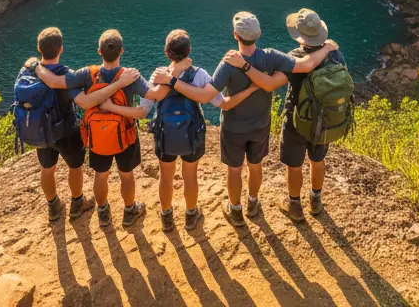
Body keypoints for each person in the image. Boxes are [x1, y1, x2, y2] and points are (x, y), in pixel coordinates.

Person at [162, 11, 336, 228]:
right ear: (259, 33)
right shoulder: (271, 57)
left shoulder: (228, 63)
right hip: (261, 125)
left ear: (236, 35)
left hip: (234, 127)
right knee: (256, 165)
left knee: (234, 169)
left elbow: (205, 96)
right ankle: (253, 203)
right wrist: (328, 47)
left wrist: (172, 81)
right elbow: (302, 67)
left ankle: (236, 211)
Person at [100, 29, 261, 232]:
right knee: (190, 176)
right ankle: (191, 214)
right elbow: (224, 104)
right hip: (191, 135)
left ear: (167, 53)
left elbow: (142, 111)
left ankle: (166, 216)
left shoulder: (158, 75)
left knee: (165, 177)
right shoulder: (200, 75)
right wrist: (250, 89)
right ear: (189, 51)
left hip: (165, 135)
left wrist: (110, 107)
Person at [226, 8, 347, 222]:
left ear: (300, 36)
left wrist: (245, 67)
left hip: (297, 119)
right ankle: (316, 200)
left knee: (295, 164)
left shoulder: (296, 57)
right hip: (325, 118)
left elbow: (270, 84)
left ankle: (294, 205)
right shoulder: (335, 53)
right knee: (318, 159)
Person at [36, 29, 150, 228]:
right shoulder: (131, 76)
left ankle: (103, 212)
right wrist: (169, 77)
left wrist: (34, 65)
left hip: (98, 136)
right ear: (122, 51)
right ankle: (129, 210)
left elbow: (55, 82)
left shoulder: (85, 75)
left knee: (101, 174)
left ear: (99, 51)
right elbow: (154, 94)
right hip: (125, 134)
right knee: (126, 175)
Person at [19, 26, 130, 223]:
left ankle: (53, 206)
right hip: (66, 131)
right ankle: (77, 203)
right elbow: (84, 101)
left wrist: (34, 64)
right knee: (75, 167)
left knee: (47, 168)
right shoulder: (65, 73)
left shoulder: (27, 70)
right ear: (61, 49)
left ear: (39, 48)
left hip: (42, 131)